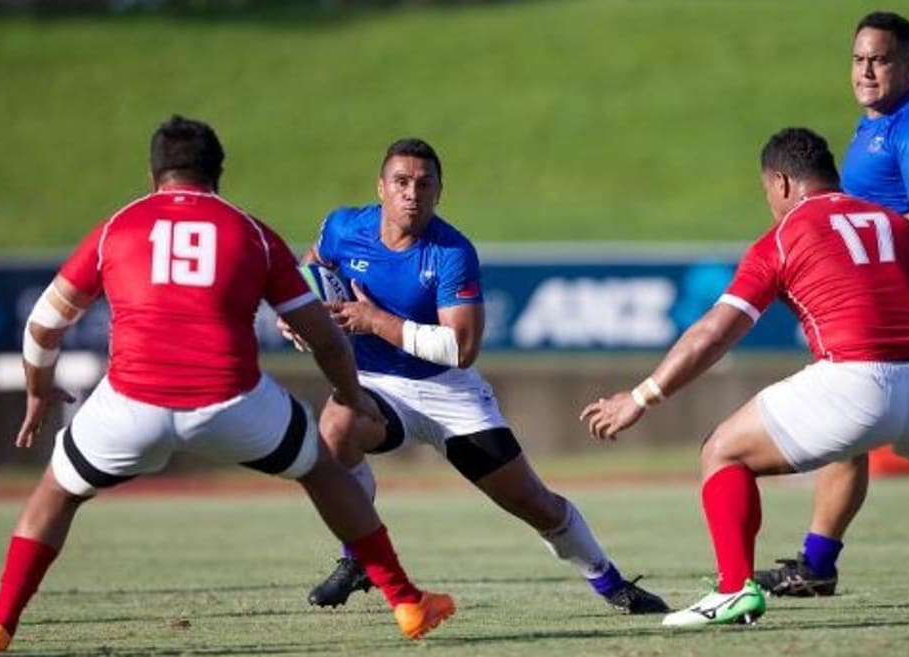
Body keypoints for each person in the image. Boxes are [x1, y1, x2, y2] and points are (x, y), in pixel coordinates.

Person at [0, 116, 454, 656]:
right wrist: (354, 398)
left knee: (55, 495)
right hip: (233, 402)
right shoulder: (251, 233)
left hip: (130, 402)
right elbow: (329, 341)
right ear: (218, 174)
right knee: (321, 470)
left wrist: (38, 390)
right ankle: (406, 601)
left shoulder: (116, 228)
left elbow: (42, 327)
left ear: (154, 176)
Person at [580, 127, 909, 626]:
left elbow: (714, 335)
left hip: (860, 384)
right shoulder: (898, 225)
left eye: (767, 192)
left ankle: (734, 588)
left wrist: (642, 396)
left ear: (782, 182)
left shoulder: (783, 237)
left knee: (723, 451)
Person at [280, 137, 669, 615]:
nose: (412, 193)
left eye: (424, 184)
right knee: (335, 429)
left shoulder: (451, 251)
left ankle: (610, 583)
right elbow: (312, 265)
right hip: (377, 385)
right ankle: (358, 557)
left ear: (439, 192)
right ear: (380, 187)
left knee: (534, 503)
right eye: (401, 182)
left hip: (447, 392)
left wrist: (374, 320)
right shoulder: (343, 227)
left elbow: (459, 349)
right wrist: (298, 310)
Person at [754, 11, 909, 598]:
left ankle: (819, 561)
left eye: (881, 59)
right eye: (859, 59)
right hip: (890, 294)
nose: (867, 71)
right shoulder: (874, 123)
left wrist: (859, 266)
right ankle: (817, 563)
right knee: (846, 419)